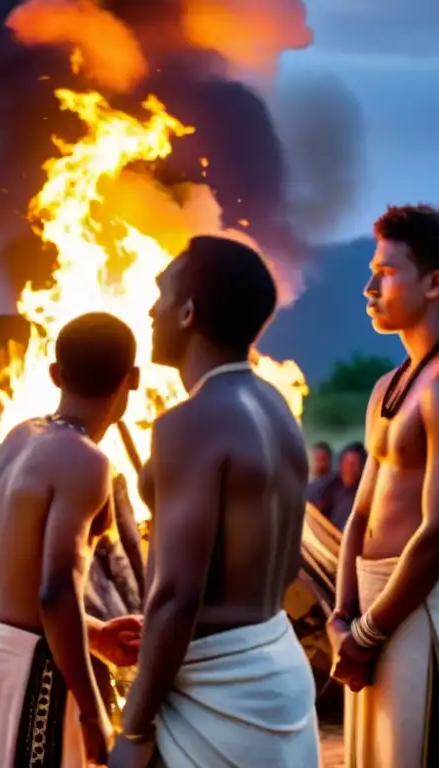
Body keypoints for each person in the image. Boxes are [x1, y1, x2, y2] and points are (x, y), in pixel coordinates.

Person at [111, 235, 319, 768]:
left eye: (160, 295)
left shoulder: (190, 422)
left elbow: (178, 593)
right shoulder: (274, 406)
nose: (150, 309)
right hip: (276, 664)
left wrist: (134, 730)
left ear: (186, 313)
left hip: (219, 690)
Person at [330, 206, 439, 767]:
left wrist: (369, 631)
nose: (369, 287)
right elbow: (359, 514)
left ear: (434, 283)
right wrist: (340, 615)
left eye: (385, 272)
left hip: (416, 608)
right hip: (369, 609)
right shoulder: (390, 384)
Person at [0, 311, 144, 768]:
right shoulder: (89, 462)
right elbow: (55, 591)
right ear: (133, 379)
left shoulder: (18, 437)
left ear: (55, 374)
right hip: (27, 675)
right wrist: (92, 706)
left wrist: (94, 633)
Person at [311, 442, 367, 531]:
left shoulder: (365, 495)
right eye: (346, 464)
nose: (349, 469)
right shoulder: (333, 485)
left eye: (353, 464)